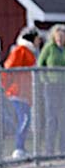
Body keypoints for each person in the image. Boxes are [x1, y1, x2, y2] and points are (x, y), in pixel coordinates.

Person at [1, 26, 40, 159]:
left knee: (25, 120)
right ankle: (18, 148)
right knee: (23, 120)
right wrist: (8, 88)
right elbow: (8, 69)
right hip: (17, 92)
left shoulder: (30, 52)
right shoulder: (21, 50)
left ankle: (21, 147)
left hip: (26, 93)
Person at [38, 24, 65, 155]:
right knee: (51, 118)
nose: (60, 38)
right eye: (58, 36)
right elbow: (40, 64)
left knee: (63, 118)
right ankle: (49, 149)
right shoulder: (49, 48)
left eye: (62, 36)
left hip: (63, 87)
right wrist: (45, 80)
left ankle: (63, 148)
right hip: (51, 87)